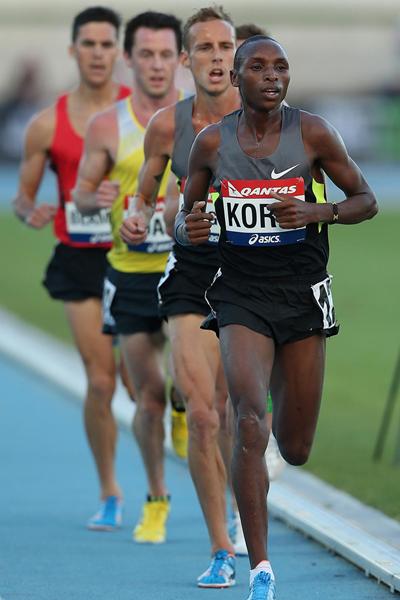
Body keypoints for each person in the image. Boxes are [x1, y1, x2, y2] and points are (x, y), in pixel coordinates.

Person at [174, 35, 378, 599]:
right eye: (259, 67)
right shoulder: (212, 143)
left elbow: (366, 199)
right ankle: (260, 568)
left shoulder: (312, 133)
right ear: (236, 77)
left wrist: (321, 210)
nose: (272, 76)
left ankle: (276, 418)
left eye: (281, 68)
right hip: (240, 293)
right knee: (245, 419)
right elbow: (187, 217)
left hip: (304, 295)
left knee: (294, 448)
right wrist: (187, 228)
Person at [119, 6, 242, 587]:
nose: (217, 58)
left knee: (232, 413)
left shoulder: (271, 120)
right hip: (193, 272)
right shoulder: (168, 126)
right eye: (206, 49)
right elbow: (144, 193)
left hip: (255, 279)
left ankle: (241, 506)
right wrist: (138, 219)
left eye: (226, 47)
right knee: (199, 412)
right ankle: (219, 547)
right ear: (186, 61)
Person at [13, 6, 132, 531]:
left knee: (142, 383)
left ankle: (175, 434)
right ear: (73, 50)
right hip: (80, 260)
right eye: (90, 44)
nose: (99, 53)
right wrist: (32, 211)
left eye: (108, 44)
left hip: (139, 261)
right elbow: (21, 198)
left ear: (120, 52)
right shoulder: (46, 125)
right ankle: (109, 488)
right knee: (101, 381)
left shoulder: (145, 115)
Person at [74, 11, 184, 544]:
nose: (157, 65)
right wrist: (91, 199)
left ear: (181, 59)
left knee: (200, 393)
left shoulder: (201, 121)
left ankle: (189, 409)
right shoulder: (106, 126)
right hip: (132, 274)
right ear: (129, 59)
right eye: (147, 54)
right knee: (147, 398)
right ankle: (156, 499)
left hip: (190, 271)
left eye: (167, 54)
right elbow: (80, 193)